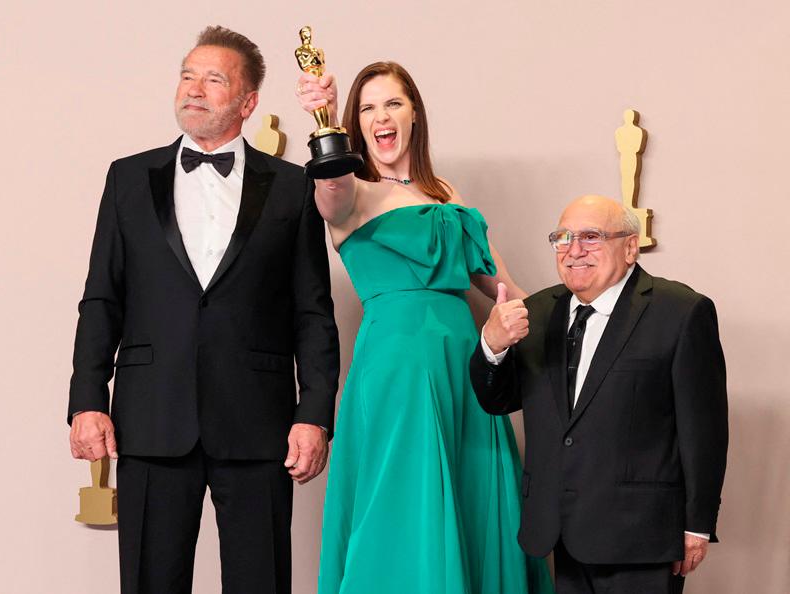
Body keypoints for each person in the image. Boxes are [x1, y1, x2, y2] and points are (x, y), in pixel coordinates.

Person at [67, 26, 339, 594]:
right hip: (149, 420)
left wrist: (313, 413)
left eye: (214, 78)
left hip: (259, 423)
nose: (194, 88)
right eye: (187, 75)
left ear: (248, 101)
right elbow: (102, 297)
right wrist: (87, 400)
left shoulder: (294, 188)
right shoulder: (127, 177)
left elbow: (312, 312)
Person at [296, 62, 553, 593]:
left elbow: (501, 287)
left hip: (467, 366)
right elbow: (331, 187)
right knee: (402, 503)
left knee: (475, 500)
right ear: (356, 123)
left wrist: (581, 326)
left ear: (415, 113)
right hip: (399, 368)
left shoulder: (447, 195)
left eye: (393, 103)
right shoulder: (352, 194)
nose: (381, 117)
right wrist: (324, 120)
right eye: (367, 108)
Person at [470, 195, 728, 593]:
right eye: (563, 237)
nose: (574, 250)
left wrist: (697, 523)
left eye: (591, 237)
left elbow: (704, 430)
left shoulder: (680, 311)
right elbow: (497, 401)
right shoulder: (537, 311)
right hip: (560, 528)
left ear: (629, 246)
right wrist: (492, 345)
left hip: (642, 536)